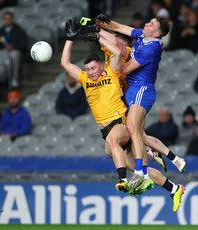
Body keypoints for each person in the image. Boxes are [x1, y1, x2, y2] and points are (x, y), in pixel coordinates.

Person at [60, 20, 184, 212]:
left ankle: (124, 179)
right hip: (110, 125)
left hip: (120, 120)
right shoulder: (85, 78)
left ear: (101, 66)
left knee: (125, 137)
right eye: (89, 69)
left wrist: (98, 34)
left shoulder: (113, 69)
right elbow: (66, 63)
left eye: (94, 68)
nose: (91, 71)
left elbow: (118, 49)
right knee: (124, 148)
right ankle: (173, 187)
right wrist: (75, 36)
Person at [96, 15, 171, 188]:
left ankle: (140, 172)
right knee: (115, 146)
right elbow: (118, 27)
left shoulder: (148, 49)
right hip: (130, 91)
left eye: (151, 24)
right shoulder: (143, 36)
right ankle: (156, 156)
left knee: (133, 130)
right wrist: (97, 25)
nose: (146, 23)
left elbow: (124, 69)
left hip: (140, 90)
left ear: (157, 34)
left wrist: (111, 50)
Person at [0, 11, 28, 87]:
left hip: (14, 51)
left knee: (15, 54)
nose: (7, 20)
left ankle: (14, 79)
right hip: (2, 51)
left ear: (12, 19)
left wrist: (13, 47)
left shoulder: (19, 31)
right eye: (5, 19)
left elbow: (24, 44)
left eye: (9, 18)